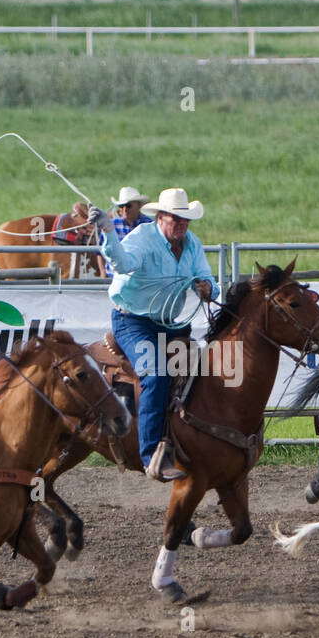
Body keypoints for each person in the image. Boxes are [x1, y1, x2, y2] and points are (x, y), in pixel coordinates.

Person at [89, 187, 219, 483]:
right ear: (160, 217)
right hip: (132, 321)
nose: (181, 223)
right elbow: (122, 263)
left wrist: (209, 289)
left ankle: (192, 441)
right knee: (157, 374)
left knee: (203, 372)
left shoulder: (192, 244)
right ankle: (151, 456)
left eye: (185, 218)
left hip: (170, 324)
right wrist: (108, 232)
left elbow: (207, 278)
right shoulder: (142, 239)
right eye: (175, 217)